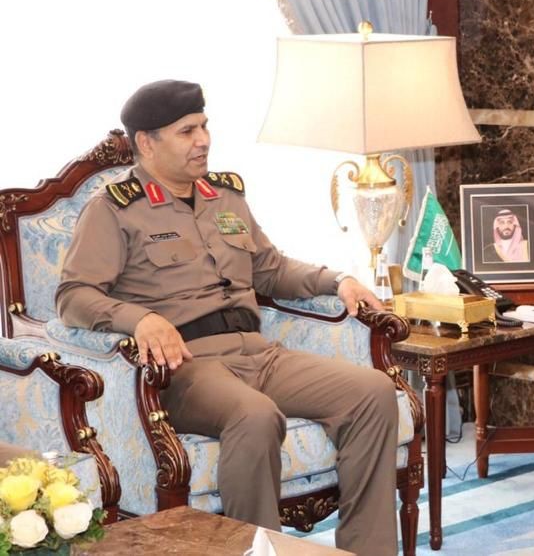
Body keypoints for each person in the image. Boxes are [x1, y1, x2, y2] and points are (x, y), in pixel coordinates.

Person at [55, 80, 398, 556]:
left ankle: (366, 551)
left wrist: (338, 280)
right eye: (186, 131)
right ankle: (257, 551)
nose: (203, 140)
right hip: (186, 368)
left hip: (258, 353)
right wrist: (138, 319)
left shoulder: (225, 196)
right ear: (147, 143)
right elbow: (73, 296)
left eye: (204, 127)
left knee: (373, 392)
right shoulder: (115, 210)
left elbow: (271, 269)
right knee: (254, 416)